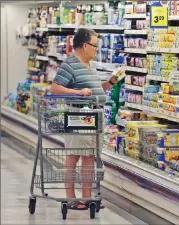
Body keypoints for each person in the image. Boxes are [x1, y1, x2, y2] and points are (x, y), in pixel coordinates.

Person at [50, 28, 117, 210]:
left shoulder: (89, 65)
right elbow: (55, 88)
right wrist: (77, 92)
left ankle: (86, 198)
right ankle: (71, 198)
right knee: (73, 156)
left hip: (93, 116)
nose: (97, 49)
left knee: (89, 157)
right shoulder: (70, 64)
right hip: (78, 115)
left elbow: (95, 91)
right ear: (85, 45)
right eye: (95, 46)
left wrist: (110, 83)